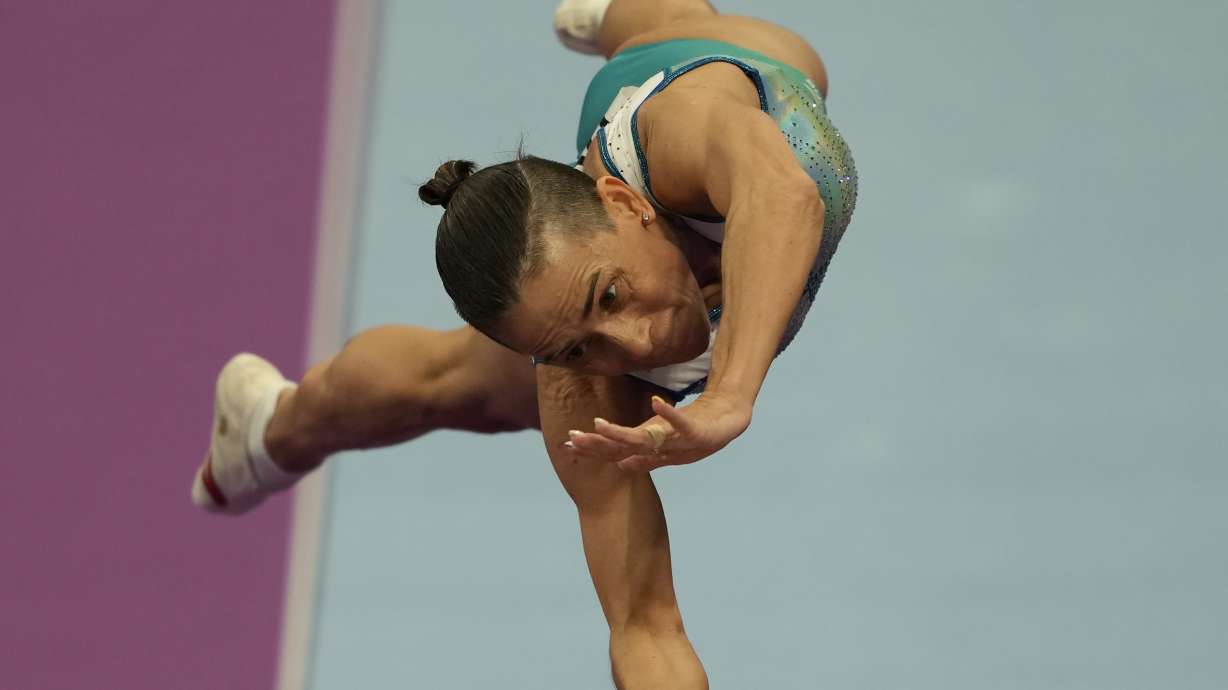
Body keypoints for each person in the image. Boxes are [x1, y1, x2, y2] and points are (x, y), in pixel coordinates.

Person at [192, 1, 857, 687]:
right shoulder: (586, 391)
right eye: (575, 348)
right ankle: (272, 426)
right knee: (457, 385)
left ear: (626, 205)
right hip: (581, 249)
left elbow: (784, 194)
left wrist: (728, 395)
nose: (633, 344)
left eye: (611, 295)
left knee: (687, 23)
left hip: (679, 63)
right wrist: (580, 346)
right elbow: (644, 626)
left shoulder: (682, 129)